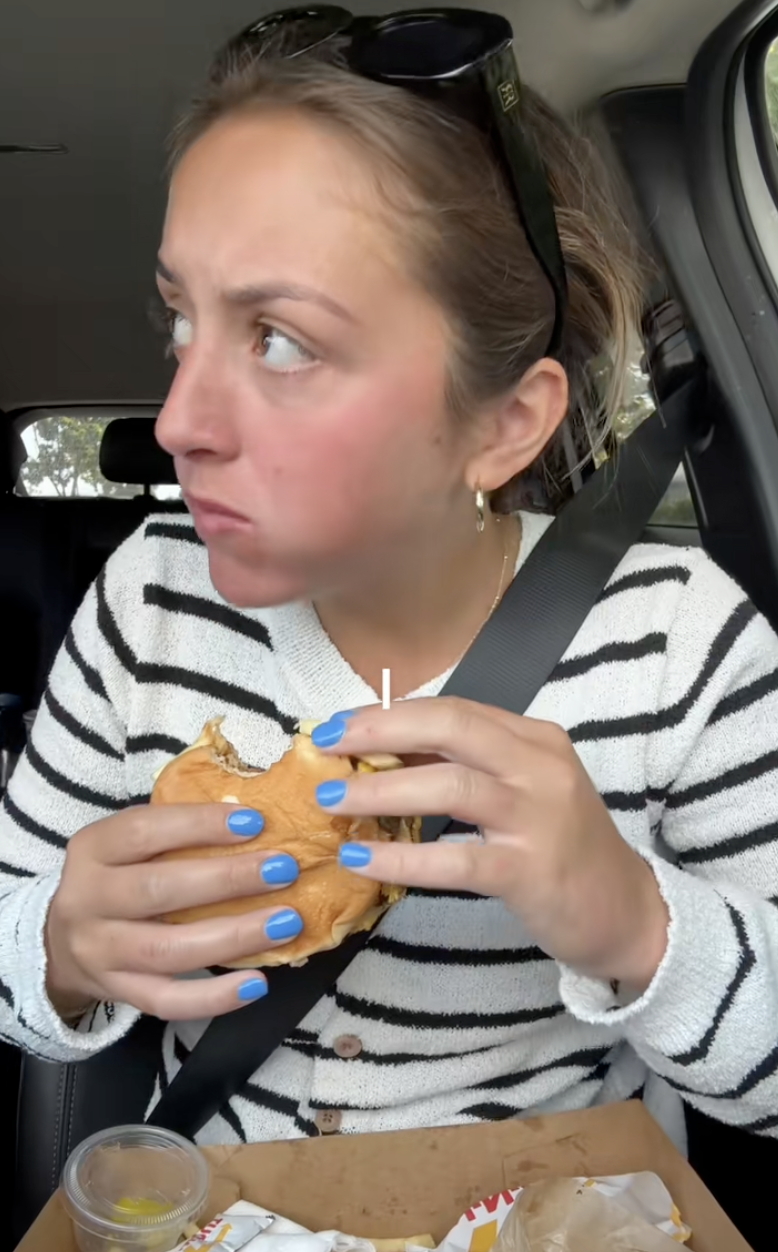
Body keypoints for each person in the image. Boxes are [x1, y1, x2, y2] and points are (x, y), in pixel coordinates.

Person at [2, 7, 778, 1154]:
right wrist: (61, 946)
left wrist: (639, 925)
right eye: (179, 322)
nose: (175, 422)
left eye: (280, 339)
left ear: (504, 424)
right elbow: (10, 941)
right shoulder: (147, 602)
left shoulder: (680, 644)